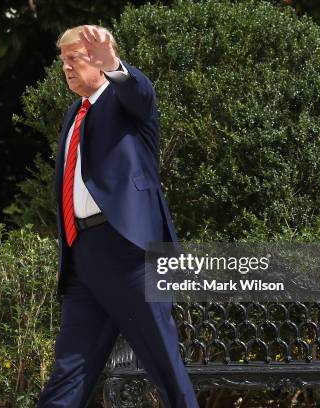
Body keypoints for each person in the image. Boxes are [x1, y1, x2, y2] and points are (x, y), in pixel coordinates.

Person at [37, 25, 200, 408]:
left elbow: (139, 92)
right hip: (83, 257)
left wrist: (115, 66)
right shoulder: (73, 114)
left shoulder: (126, 102)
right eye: (63, 62)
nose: (67, 69)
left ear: (99, 60)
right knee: (69, 371)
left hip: (130, 253)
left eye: (74, 59)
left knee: (164, 366)